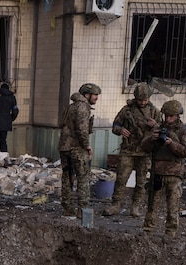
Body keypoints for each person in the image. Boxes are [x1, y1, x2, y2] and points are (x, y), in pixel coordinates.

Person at [104, 82, 160, 217]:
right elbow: (115, 125)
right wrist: (120, 130)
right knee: (121, 179)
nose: (142, 102)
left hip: (145, 152)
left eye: (145, 100)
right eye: (140, 99)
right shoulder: (127, 110)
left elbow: (162, 130)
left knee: (141, 182)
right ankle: (115, 205)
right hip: (128, 150)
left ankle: (135, 206)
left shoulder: (154, 112)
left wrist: (155, 125)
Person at [140, 100, 186, 238]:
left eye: (172, 116)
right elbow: (144, 147)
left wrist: (171, 144)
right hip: (157, 172)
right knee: (152, 205)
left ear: (177, 116)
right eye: (167, 116)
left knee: (172, 206)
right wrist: (151, 139)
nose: (168, 119)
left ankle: (170, 233)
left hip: (174, 173)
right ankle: (148, 232)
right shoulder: (158, 128)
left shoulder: (183, 131)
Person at [59, 83, 100, 217]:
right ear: (87, 95)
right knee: (83, 178)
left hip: (65, 146)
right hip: (76, 148)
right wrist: (87, 146)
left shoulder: (72, 106)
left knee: (67, 177)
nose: (96, 98)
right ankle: (82, 210)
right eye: (95, 95)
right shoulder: (83, 107)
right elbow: (82, 129)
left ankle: (67, 207)